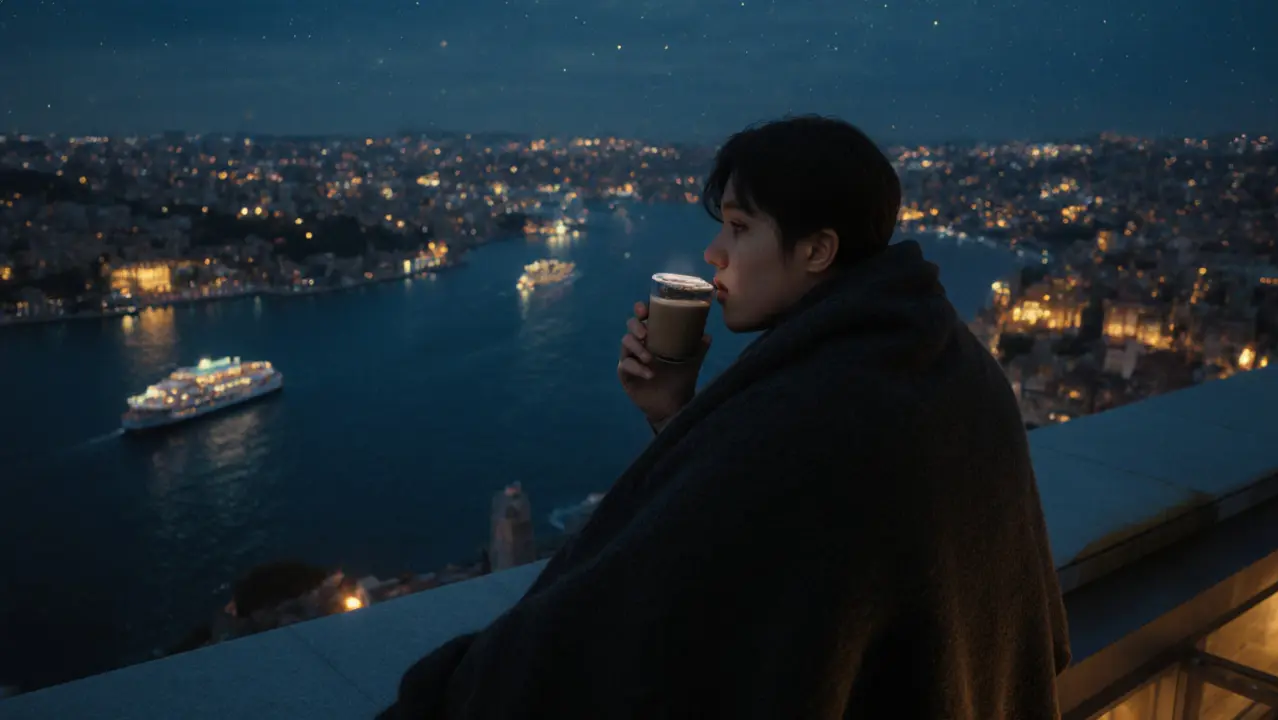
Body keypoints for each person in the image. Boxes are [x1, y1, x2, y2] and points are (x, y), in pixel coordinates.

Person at [379, 115, 1070, 719]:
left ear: (817, 250)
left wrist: (447, 693)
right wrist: (678, 414)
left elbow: (631, 622)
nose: (714, 253)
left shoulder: (819, 414)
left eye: (739, 228)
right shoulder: (942, 358)